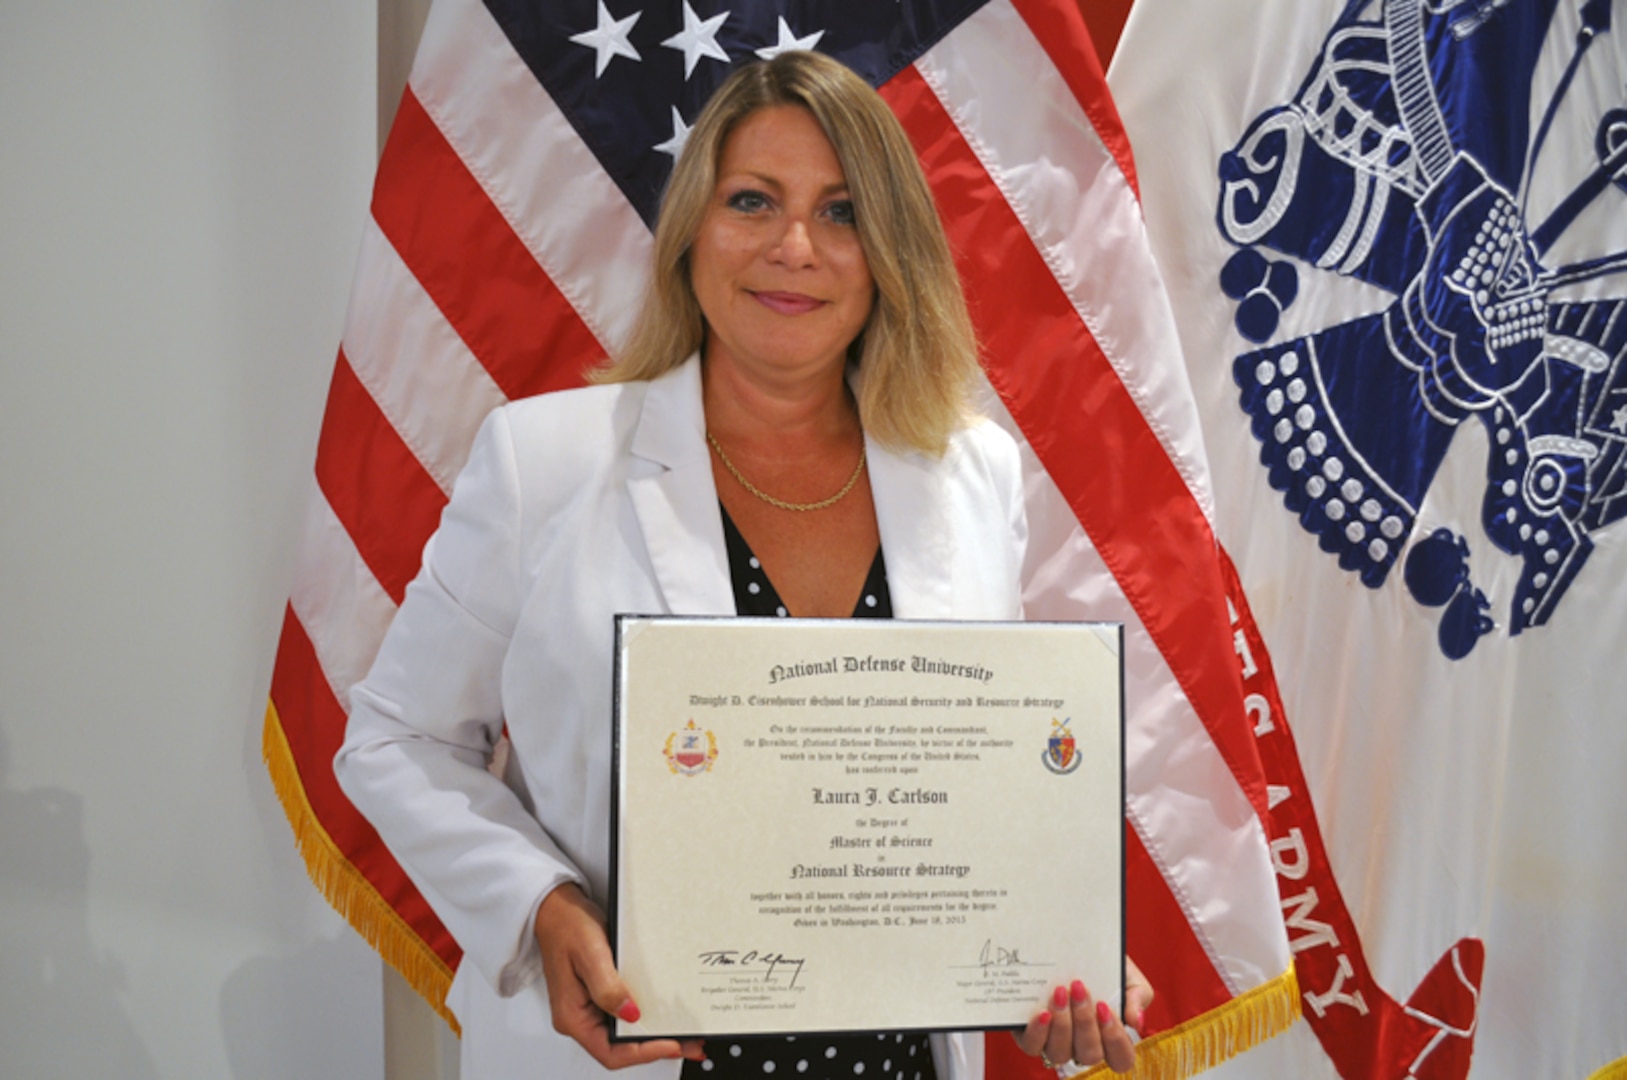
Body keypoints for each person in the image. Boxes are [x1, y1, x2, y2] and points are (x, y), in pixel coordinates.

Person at [335, 50, 1149, 1079]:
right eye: (752, 202)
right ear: (692, 234)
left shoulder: (972, 474)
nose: (794, 247)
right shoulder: (543, 462)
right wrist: (536, 903)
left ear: (890, 249)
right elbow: (396, 736)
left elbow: (973, 784)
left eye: (843, 212)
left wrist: (1053, 954)